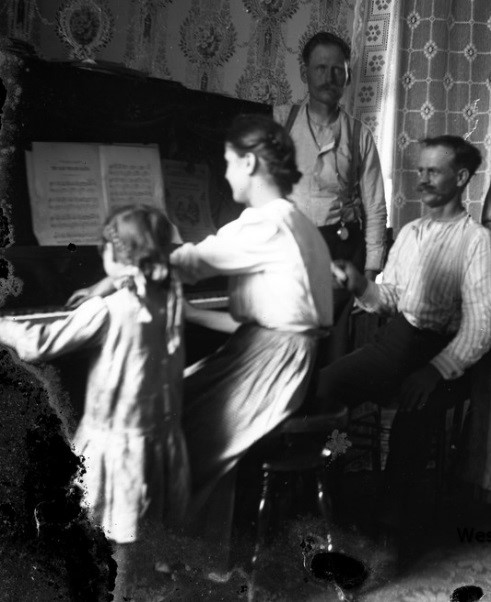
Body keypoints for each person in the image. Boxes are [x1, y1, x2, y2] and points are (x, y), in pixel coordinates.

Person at [0, 206, 190, 600]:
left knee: (98, 536)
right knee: (130, 538)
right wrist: (110, 282)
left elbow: (38, 344)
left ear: (112, 256)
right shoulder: (167, 296)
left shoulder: (104, 311)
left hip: (111, 442)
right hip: (153, 439)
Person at [169, 114, 334, 563]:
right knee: (175, 399)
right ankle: (183, 552)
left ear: (248, 163)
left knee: (167, 421)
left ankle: (175, 558)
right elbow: (273, 320)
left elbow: (187, 263)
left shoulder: (264, 224)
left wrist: (136, 246)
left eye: (226, 163)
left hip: (274, 368)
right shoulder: (296, 222)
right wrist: (192, 316)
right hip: (280, 356)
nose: (223, 174)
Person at [312, 135, 491, 534]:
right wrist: (361, 285)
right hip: (396, 342)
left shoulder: (478, 242)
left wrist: (434, 372)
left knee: (414, 413)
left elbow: (480, 328)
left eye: (433, 171)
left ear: (461, 178)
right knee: (330, 385)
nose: (422, 179)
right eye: (420, 170)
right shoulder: (410, 233)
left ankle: (391, 516)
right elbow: (389, 299)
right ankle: (331, 476)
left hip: (443, 355)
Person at [274, 31, 387, 284]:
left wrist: (369, 273)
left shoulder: (360, 135)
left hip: (342, 251)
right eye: (320, 68)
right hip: (288, 249)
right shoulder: (281, 121)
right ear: (305, 74)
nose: (329, 78)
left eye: (338, 70)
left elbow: (375, 208)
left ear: (347, 77)